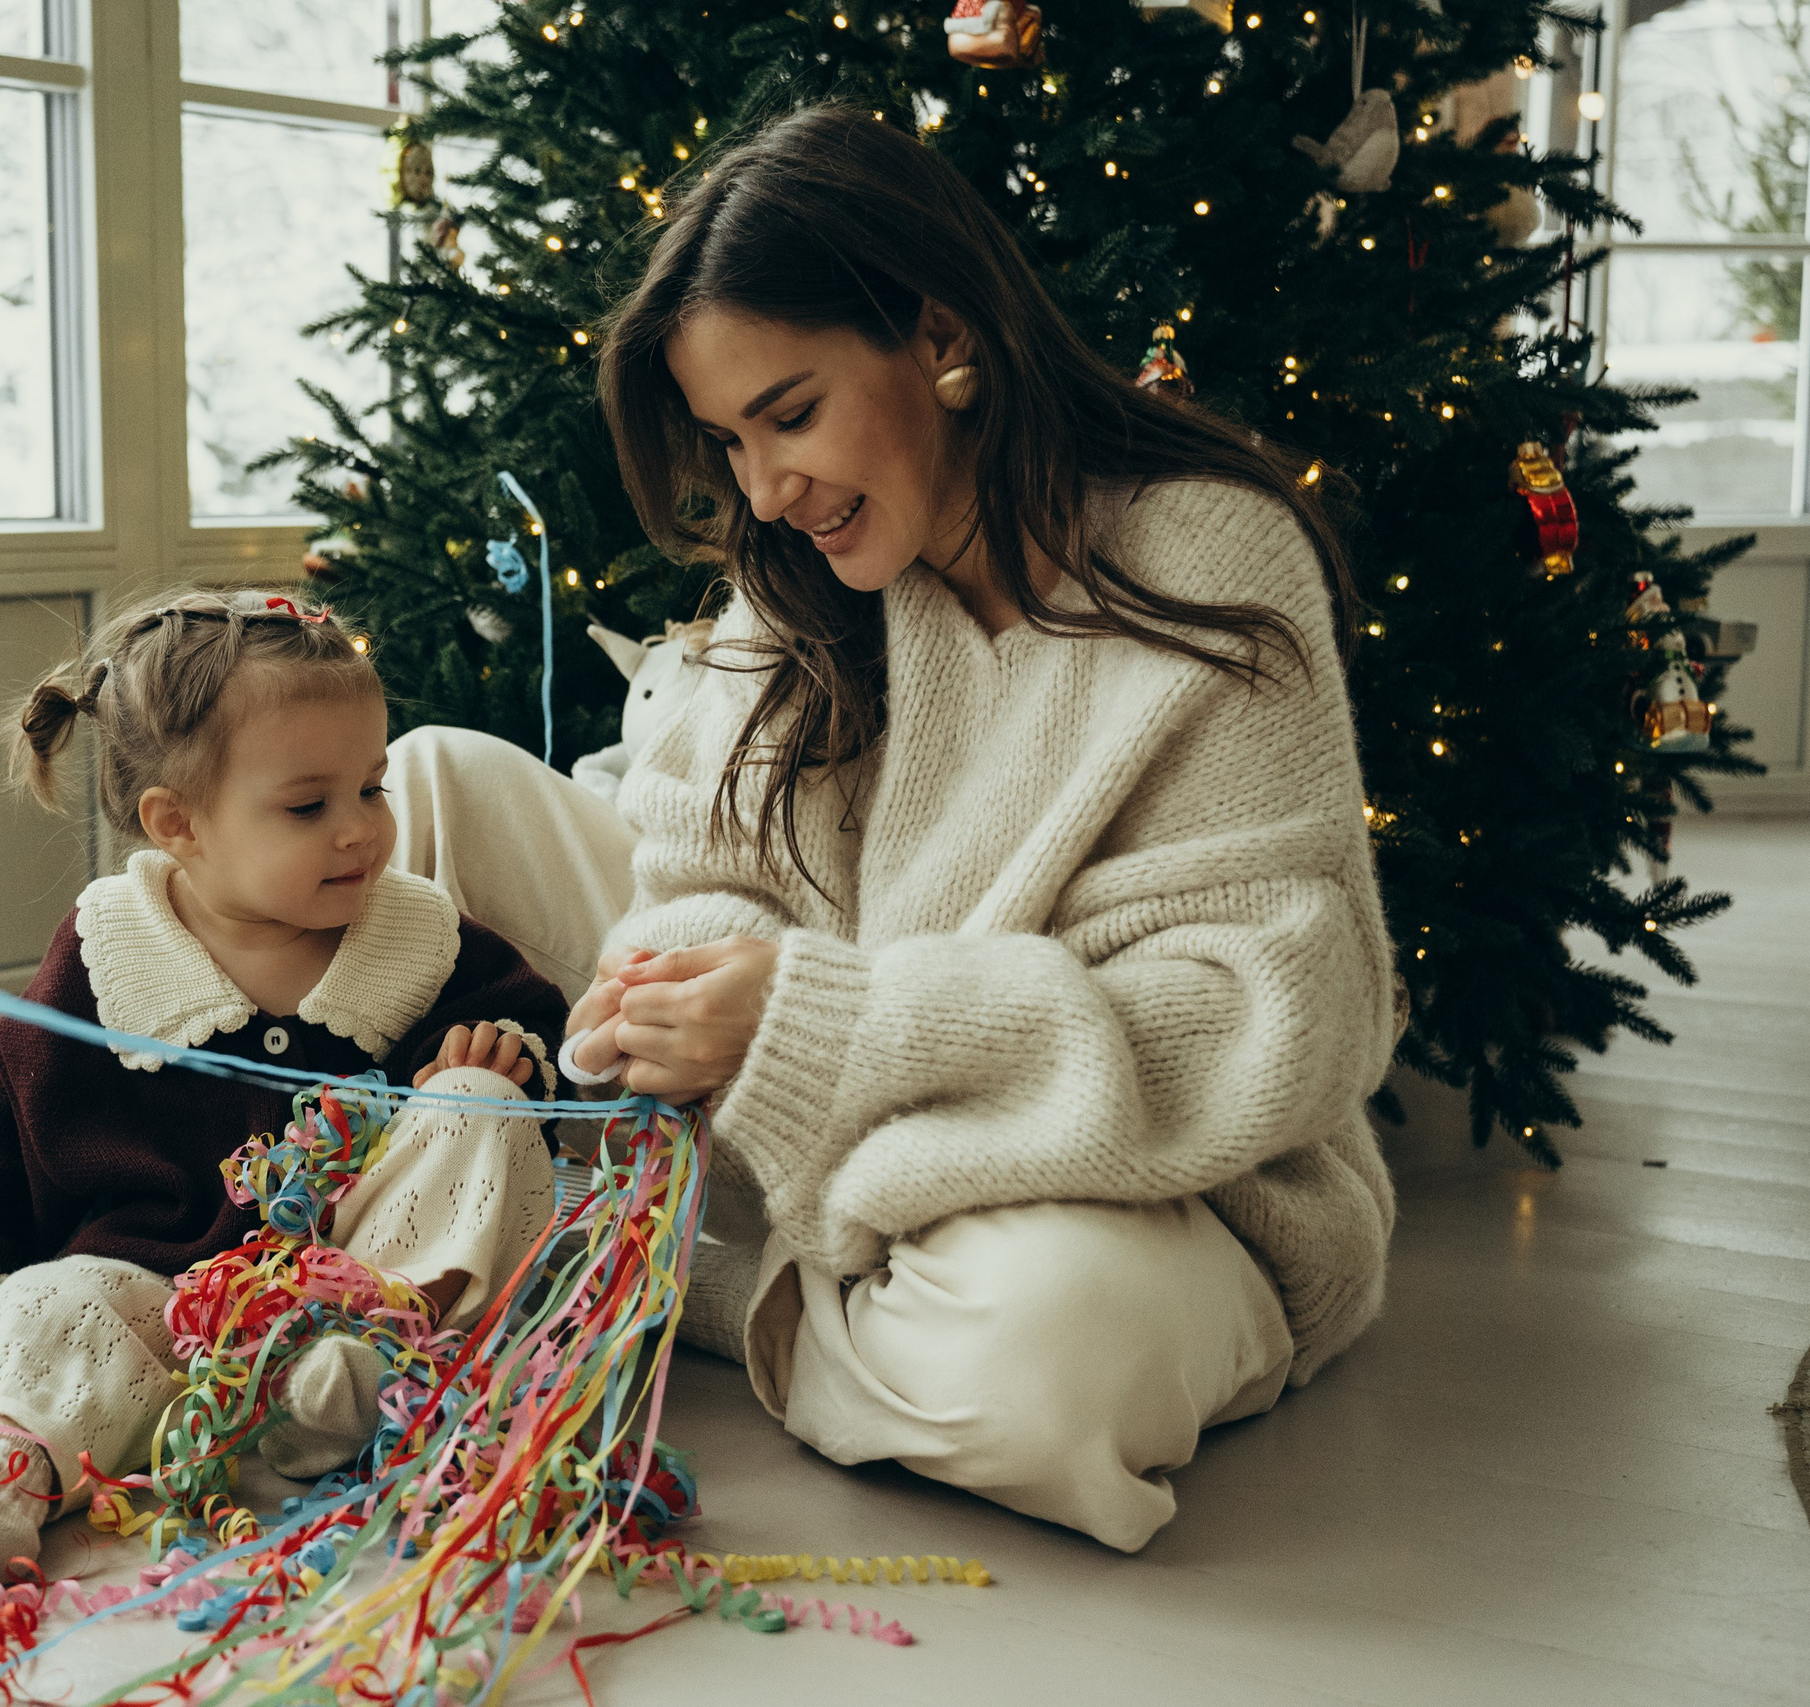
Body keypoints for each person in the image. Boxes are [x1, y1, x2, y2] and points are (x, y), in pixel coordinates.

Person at [387, 104, 1399, 1554]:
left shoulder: (1209, 560)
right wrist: (697, 992)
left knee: (1040, 1369)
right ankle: (716, 1245)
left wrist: (811, 1035)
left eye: (790, 413)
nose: (764, 489)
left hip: (1168, 1189)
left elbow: (1266, 1022)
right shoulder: (798, 567)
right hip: (852, 1133)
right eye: (732, 439)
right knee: (424, 782)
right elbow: (700, 878)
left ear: (939, 336)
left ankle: (679, 1272)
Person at [0, 587, 572, 1591]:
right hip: (156, 1295)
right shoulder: (109, 953)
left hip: (350, 1302)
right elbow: (6, 1120)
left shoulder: (421, 938)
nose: (360, 830)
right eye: (310, 806)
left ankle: (366, 1389)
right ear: (177, 824)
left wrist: (501, 1062)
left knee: (481, 1108)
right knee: (56, 1300)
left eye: (374, 787)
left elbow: (548, 1047)